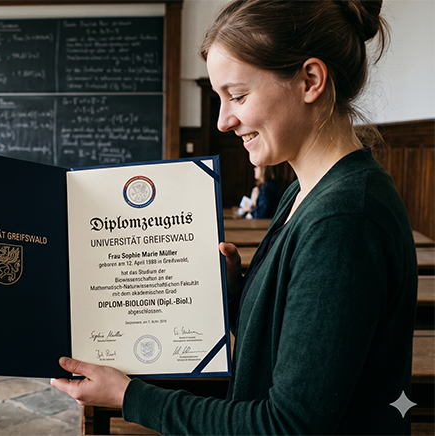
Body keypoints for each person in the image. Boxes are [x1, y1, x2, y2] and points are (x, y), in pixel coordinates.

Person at [51, 0, 418, 434]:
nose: (224, 120)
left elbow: (287, 425)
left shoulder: (345, 219)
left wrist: (130, 397)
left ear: (310, 80)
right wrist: (232, 296)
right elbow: (280, 350)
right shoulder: (305, 191)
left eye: (238, 95)